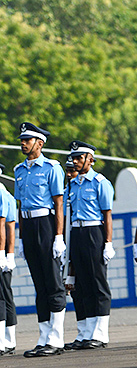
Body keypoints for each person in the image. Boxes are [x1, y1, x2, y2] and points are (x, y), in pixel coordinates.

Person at [13, 122, 67, 357]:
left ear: (40, 143)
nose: (23, 143)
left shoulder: (52, 168)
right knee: (39, 285)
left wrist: (58, 236)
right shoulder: (19, 170)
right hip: (29, 225)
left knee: (53, 283)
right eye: (21, 140)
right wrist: (22, 238)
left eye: (27, 140)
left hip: (46, 224)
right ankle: (44, 336)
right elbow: (20, 206)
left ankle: (56, 339)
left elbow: (58, 204)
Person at [61, 141, 114, 350]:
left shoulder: (100, 182)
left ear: (90, 160)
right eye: (74, 158)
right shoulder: (72, 185)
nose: (75, 162)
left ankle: (100, 334)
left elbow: (107, 214)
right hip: (76, 232)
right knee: (80, 286)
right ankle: (85, 333)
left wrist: (108, 242)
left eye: (79, 158)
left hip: (94, 233)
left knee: (97, 284)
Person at [0, 163, 17, 355]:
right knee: (4, 295)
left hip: (2, 252)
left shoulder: (2, 194)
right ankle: (7, 340)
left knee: (3, 295)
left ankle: (7, 340)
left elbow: (8, 228)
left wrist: (7, 254)